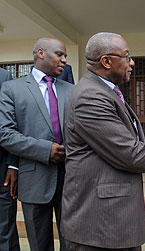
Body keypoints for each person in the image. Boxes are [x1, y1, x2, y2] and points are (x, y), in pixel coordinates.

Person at [61, 32, 145, 251]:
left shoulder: (105, 91)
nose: (132, 62)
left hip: (113, 222)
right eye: (127, 56)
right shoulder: (91, 97)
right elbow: (126, 153)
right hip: (100, 226)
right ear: (107, 61)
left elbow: (118, 143)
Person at [0, 37, 74, 251]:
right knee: (39, 245)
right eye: (59, 54)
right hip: (33, 178)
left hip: (70, 179)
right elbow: (5, 133)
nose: (64, 60)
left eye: (66, 56)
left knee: (72, 243)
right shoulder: (12, 89)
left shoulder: (71, 89)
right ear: (40, 53)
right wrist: (44, 150)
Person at [0, 67, 20, 251]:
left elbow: (12, 122)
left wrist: (14, 164)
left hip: (2, 168)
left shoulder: (3, 76)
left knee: (5, 227)